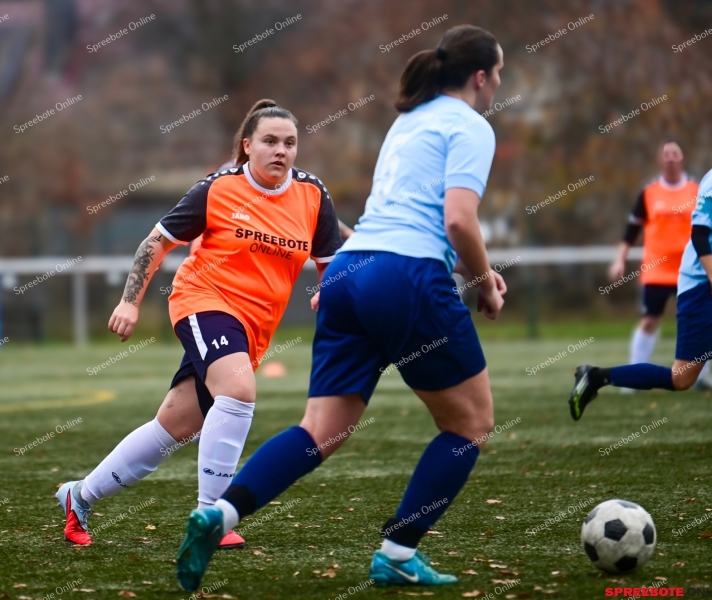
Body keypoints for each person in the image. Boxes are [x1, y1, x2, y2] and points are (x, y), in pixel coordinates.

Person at [174, 24, 506, 592]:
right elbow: (457, 219)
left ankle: (220, 514)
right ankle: (398, 553)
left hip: (351, 271)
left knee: (320, 430)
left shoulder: (408, 121)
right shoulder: (471, 125)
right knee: (470, 425)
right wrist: (484, 283)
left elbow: (402, 218)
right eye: (498, 74)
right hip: (406, 275)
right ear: (480, 77)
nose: (498, 84)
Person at [56, 99, 342, 549]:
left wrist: (332, 290)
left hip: (254, 327)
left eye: (289, 143)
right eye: (269, 141)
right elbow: (156, 242)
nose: (280, 150)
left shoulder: (312, 194)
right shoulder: (218, 188)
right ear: (247, 146)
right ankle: (212, 515)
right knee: (239, 390)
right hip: (203, 301)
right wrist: (130, 302)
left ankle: (80, 495)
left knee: (176, 425)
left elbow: (332, 262)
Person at [570, 116, 712, 420]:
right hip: (704, 284)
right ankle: (596, 376)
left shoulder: (702, 185)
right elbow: (699, 234)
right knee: (681, 377)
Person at [608, 141, 712, 392]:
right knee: (649, 320)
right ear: (660, 160)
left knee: (705, 322)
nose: (670, 158)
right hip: (657, 271)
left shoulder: (697, 189)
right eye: (666, 155)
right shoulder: (649, 192)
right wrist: (620, 259)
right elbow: (631, 230)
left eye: (675, 154)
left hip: (694, 271)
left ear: (682, 158)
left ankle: (701, 376)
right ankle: (632, 379)